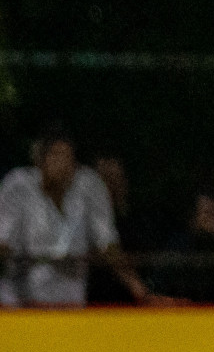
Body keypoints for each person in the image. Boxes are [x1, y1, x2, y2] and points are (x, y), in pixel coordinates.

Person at [0, 124, 167, 308]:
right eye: (55, 155)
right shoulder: (17, 185)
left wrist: (141, 292)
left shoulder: (90, 186)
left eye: (67, 156)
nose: (62, 163)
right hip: (20, 304)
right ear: (40, 159)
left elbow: (108, 244)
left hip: (70, 303)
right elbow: (3, 242)